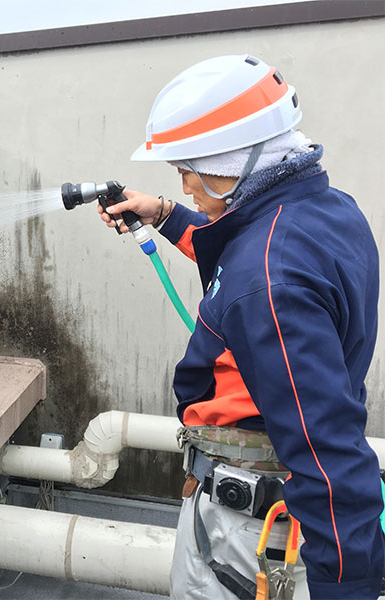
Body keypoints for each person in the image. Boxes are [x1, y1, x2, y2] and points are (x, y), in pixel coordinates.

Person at [99, 54, 383, 599]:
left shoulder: (267, 283)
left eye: (190, 168)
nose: (184, 186)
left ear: (238, 159)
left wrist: (348, 588)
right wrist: (162, 215)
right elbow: (241, 258)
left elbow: (328, 455)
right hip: (262, 517)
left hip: (247, 530)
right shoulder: (323, 210)